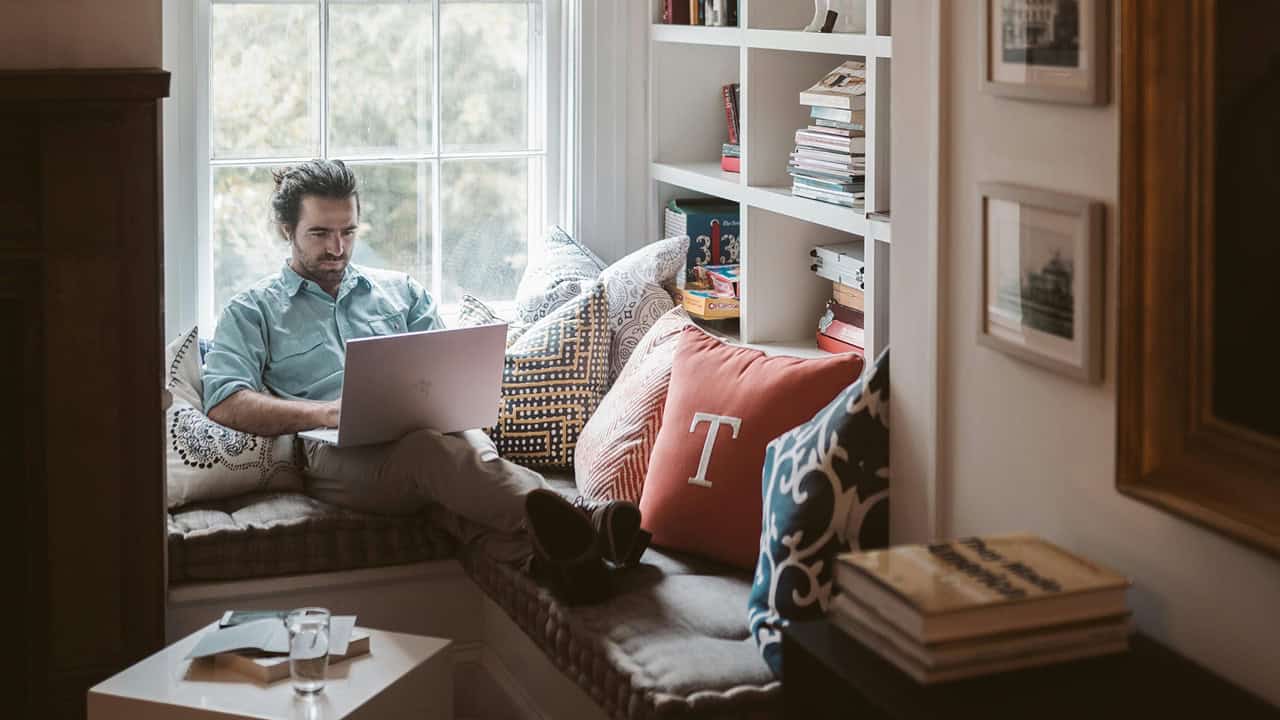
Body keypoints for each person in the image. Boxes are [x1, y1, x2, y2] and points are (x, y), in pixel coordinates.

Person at [201, 159, 547, 561]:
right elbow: (225, 402)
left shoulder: (402, 292)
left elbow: (451, 369)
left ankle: (559, 561)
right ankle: (582, 518)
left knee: (462, 460)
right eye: (319, 233)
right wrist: (326, 413)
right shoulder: (252, 310)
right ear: (286, 230)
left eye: (348, 232)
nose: (337, 248)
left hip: (435, 436)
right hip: (335, 456)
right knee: (430, 454)